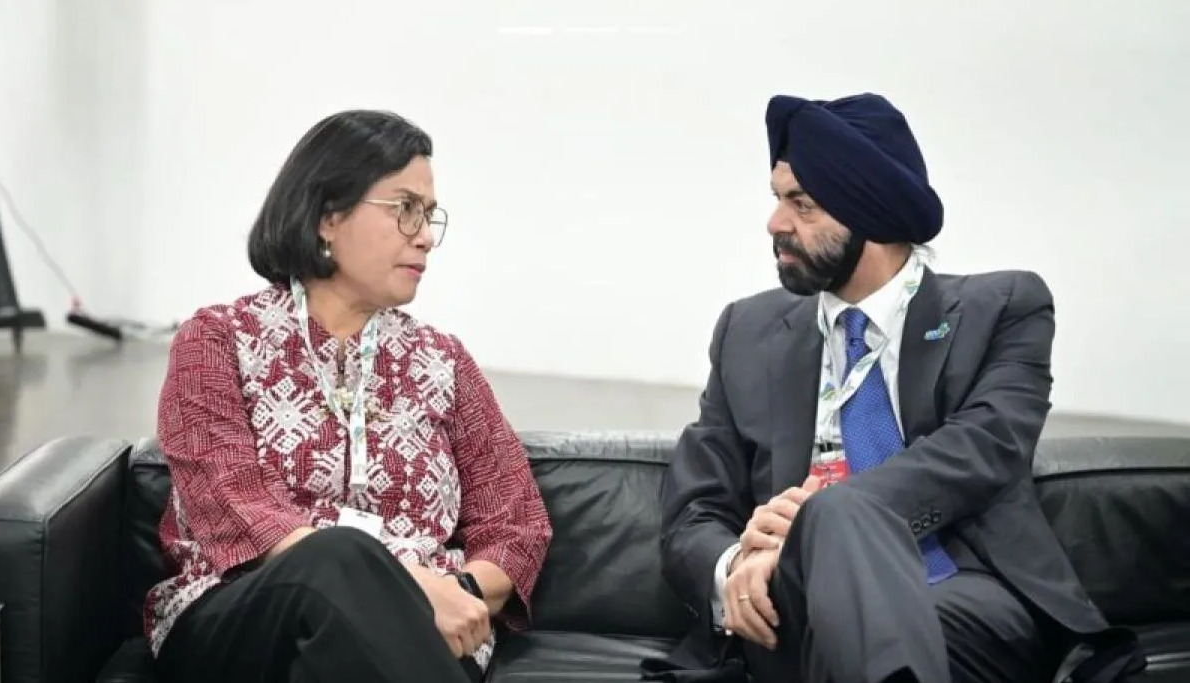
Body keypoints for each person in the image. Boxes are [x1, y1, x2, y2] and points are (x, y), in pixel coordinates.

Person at [647, 94, 1144, 683]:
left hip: (967, 597)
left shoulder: (1003, 308)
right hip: (788, 611)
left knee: (837, 516)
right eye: (777, 199)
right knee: (830, 539)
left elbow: (987, 445)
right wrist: (734, 566)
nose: (775, 223)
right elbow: (694, 508)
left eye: (800, 204)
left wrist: (820, 523)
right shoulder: (746, 333)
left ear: (869, 213)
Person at [146, 109, 553, 683]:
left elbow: (517, 522)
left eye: (430, 215)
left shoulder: (444, 361)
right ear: (327, 216)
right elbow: (230, 500)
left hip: (424, 636)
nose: (425, 236)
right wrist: (411, 586)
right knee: (337, 556)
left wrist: (456, 591)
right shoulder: (217, 340)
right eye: (404, 208)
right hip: (243, 619)